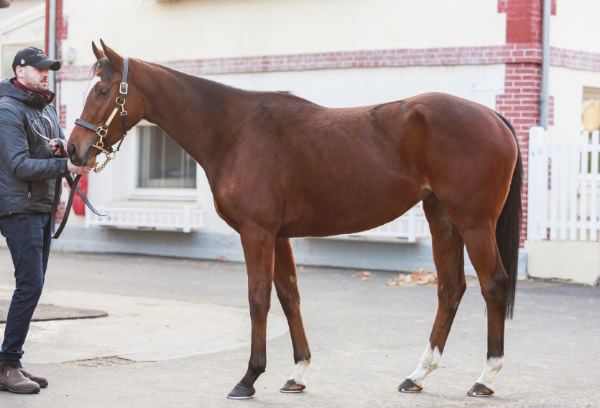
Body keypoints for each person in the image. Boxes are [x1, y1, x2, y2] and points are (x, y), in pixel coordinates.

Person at [0, 47, 90, 394]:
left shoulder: (46, 108)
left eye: (48, 70)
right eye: (39, 69)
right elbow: (18, 165)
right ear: (19, 70)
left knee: (32, 286)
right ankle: (8, 364)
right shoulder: (8, 110)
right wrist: (63, 165)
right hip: (18, 207)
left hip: (40, 207)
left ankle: (12, 361)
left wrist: (59, 148)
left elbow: (56, 147)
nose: (45, 74)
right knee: (31, 286)